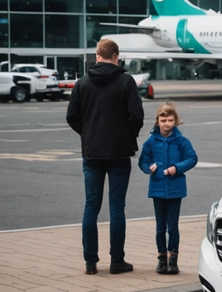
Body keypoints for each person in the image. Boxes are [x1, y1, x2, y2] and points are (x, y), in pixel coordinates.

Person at [66, 38, 145, 274]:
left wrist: (88, 134)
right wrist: (127, 136)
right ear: (116, 56)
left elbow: (72, 116)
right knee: (116, 207)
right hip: (119, 153)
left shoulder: (83, 83)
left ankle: (90, 261)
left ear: (97, 56)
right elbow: (137, 116)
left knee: (91, 206)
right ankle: (117, 260)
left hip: (92, 152)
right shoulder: (126, 81)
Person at [138, 102, 198, 274]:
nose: (166, 123)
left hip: (175, 189)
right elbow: (143, 160)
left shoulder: (181, 141)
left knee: (173, 226)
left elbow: (192, 158)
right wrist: (148, 168)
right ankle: (161, 258)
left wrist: (177, 168)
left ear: (176, 121)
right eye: (163, 120)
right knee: (160, 226)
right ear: (157, 121)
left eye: (170, 120)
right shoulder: (151, 142)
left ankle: (174, 258)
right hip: (157, 188)